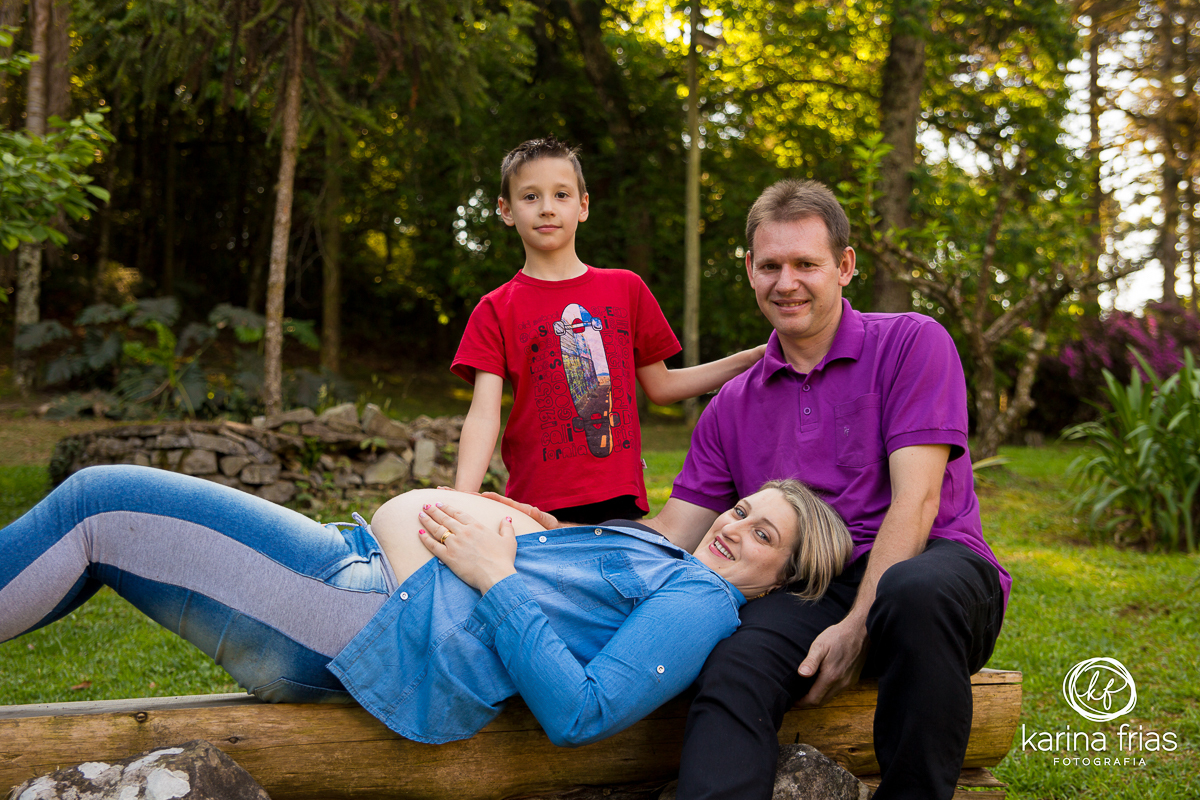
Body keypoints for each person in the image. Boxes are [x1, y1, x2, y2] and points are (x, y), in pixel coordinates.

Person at [0, 464, 851, 747]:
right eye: (744, 510)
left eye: (765, 536)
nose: (737, 527)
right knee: (101, 529)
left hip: (358, 616)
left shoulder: (702, 601)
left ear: (783, 579)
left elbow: (584, 712)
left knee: (99, 508)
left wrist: (498, 572)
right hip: (358, 574)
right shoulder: (674, 557)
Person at [640, 180, 1011, 799]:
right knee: (734, 666)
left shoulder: (912, 343)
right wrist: (550, 532)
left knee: (912, 592)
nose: (786, 282)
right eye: (770, 266)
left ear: (844, 267)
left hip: (932, 565)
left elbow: (915, 503)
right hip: (810, 585)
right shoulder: (733, 403)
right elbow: (672, 534)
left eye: (805, 263)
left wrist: (859, 625)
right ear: (751, 273)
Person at [452, 135, 765, 524]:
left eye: (561, 195)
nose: (547, 208)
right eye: (530, 197)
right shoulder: (495, 309)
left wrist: (750, 359)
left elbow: (662, 387)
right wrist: (463, 499)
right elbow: (484, 414)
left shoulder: (626, 289)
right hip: (535, 506)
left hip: (620, 503)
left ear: (583, 206)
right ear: (506, 209)